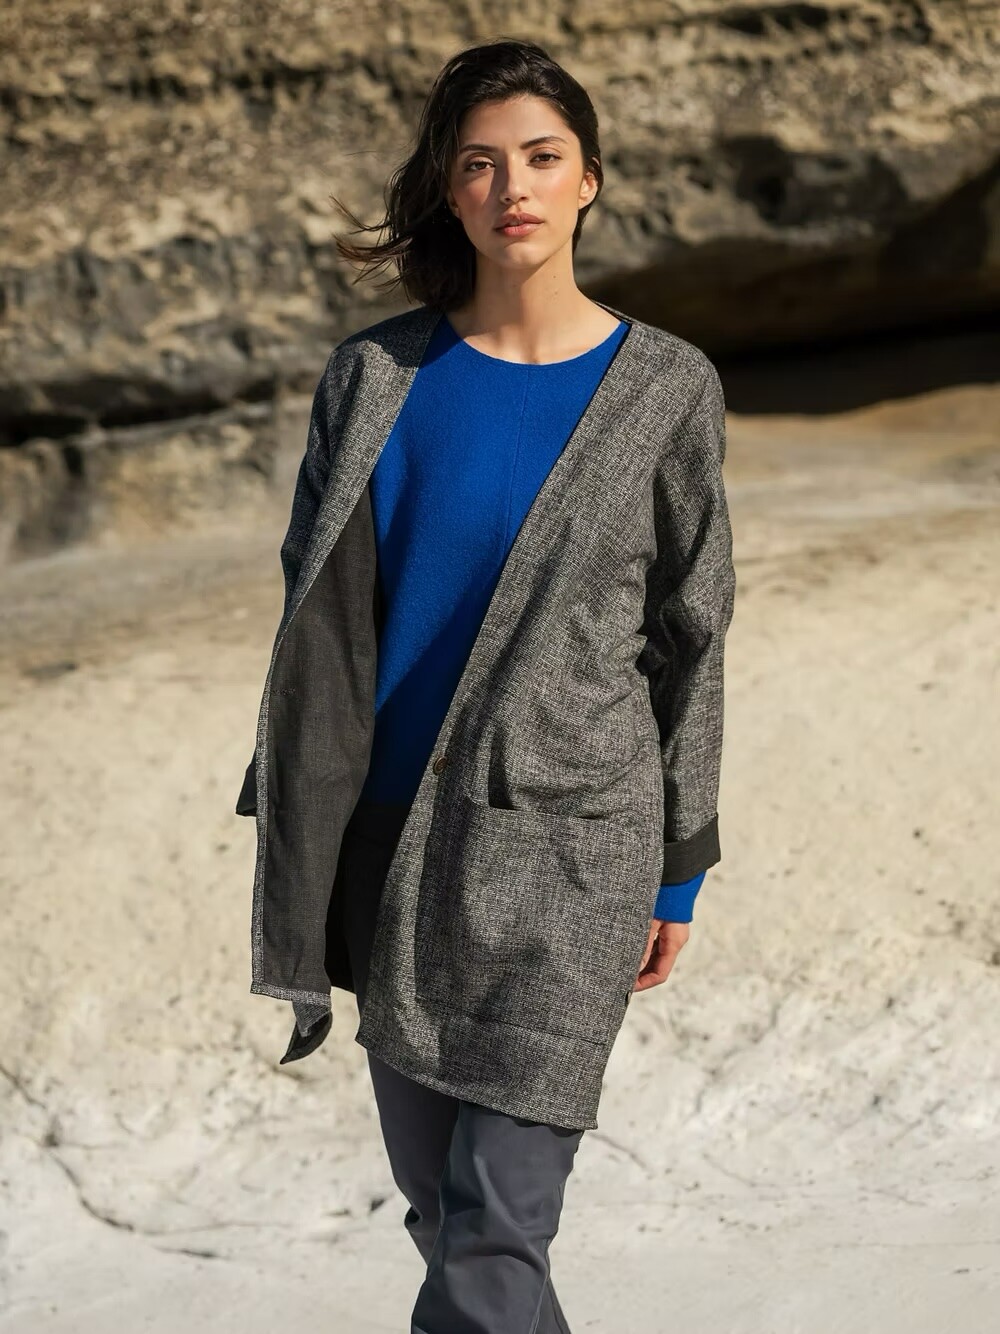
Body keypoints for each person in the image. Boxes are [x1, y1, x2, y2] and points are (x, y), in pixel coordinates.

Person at [237, 36, 736, 1334]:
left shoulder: (666, 389)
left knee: (496, 1231)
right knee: (451, 1224)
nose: (513, 186)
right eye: (479, 163)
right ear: (449, 191)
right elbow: (317, 625)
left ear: (589, 179)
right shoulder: (374, 379)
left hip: (572, 855)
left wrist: (677, 867)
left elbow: (694, 634)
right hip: (391, 852)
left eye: (542, 157)